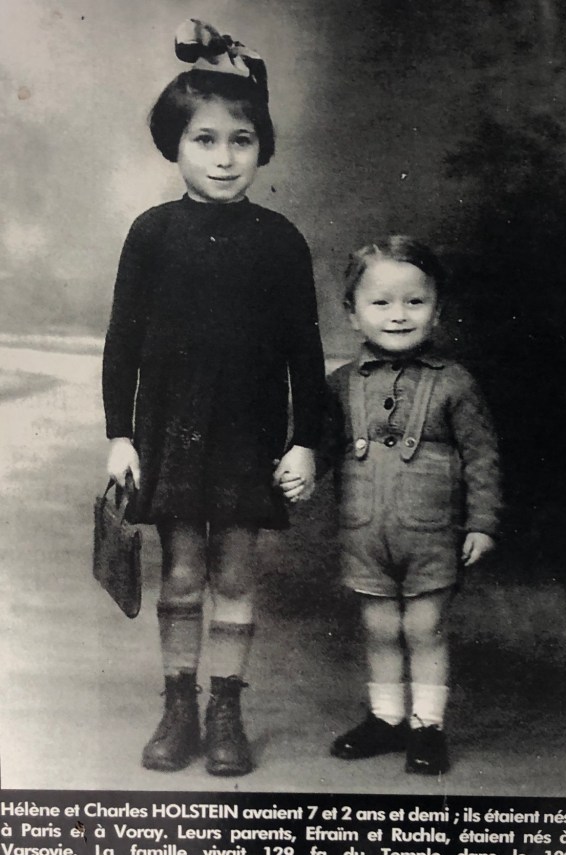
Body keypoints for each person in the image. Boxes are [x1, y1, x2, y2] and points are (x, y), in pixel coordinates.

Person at [102, 20, 324, 777]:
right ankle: (179, 706)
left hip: (245, 436)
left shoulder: (280, 240)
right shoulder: (152, 233)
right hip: (171, 430)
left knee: (234, 576)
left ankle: (226, 708)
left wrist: (303, 440)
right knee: (181, 575)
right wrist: (120, 434)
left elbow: (305, 353)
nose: (224, 158)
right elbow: (122, 343)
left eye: (241, 140)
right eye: (205, 140)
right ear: (174, 145)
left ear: (262, 147)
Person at [282, 236, 500, 774]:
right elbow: (321, 448)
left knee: (425, 628)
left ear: (437, 310)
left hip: (432, 537)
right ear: (352, 313)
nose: (398, 315)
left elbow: (482, 457)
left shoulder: (455, 384)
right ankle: (386, 719)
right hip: (364, 535)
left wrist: (482, 522)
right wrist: (300, 473)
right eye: (380, 303)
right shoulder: (338, 385)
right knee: (379, 629)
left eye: (414, 302)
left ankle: (428, 726)